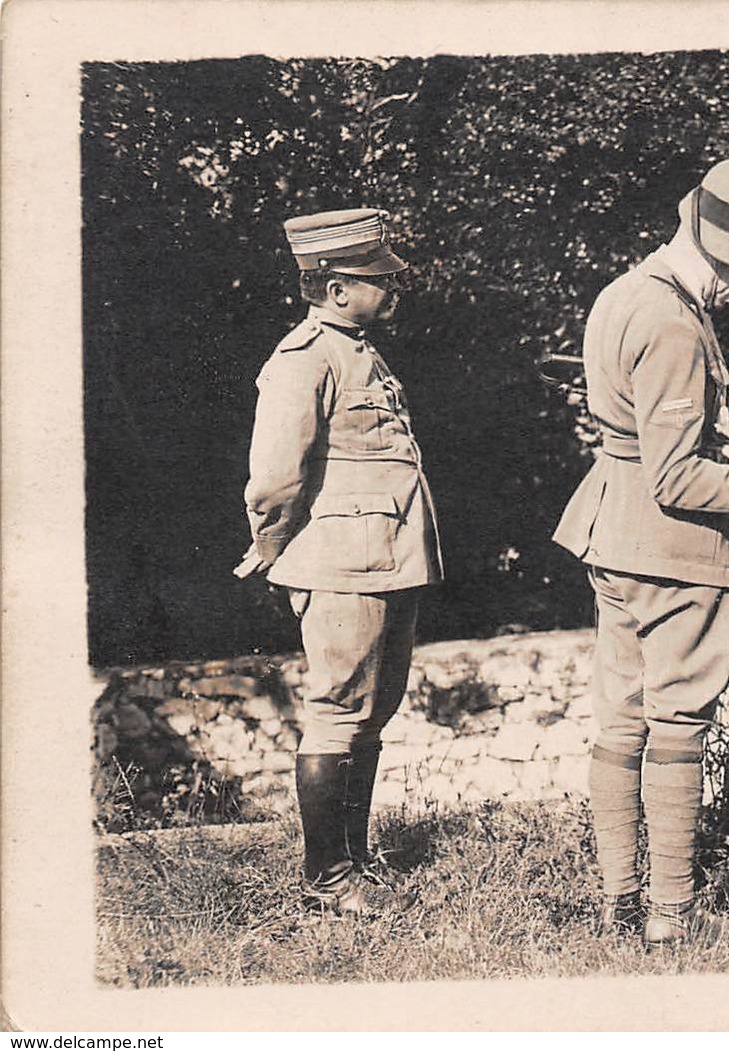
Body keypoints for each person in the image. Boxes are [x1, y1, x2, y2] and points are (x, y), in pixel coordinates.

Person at [553, 159, 729, 946]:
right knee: (676, 725)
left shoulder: (626, 292)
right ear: (710, 246)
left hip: (611, 528)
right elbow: (676, 475)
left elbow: (643, 431)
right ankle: (670, 915)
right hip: (672, 548)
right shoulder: (675, 321)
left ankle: (618, 900)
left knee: (622, 717)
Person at [236, 207, 441, 915]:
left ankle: (354, 862)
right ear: (333, 288)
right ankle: (327, 878)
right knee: (337, 712)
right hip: (341, 563)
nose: (391, 290)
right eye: (377, 280)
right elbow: (274, 476)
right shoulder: (304, 357)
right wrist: (269, 546)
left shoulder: (358, 349)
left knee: (371, 714)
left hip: (386, 559)